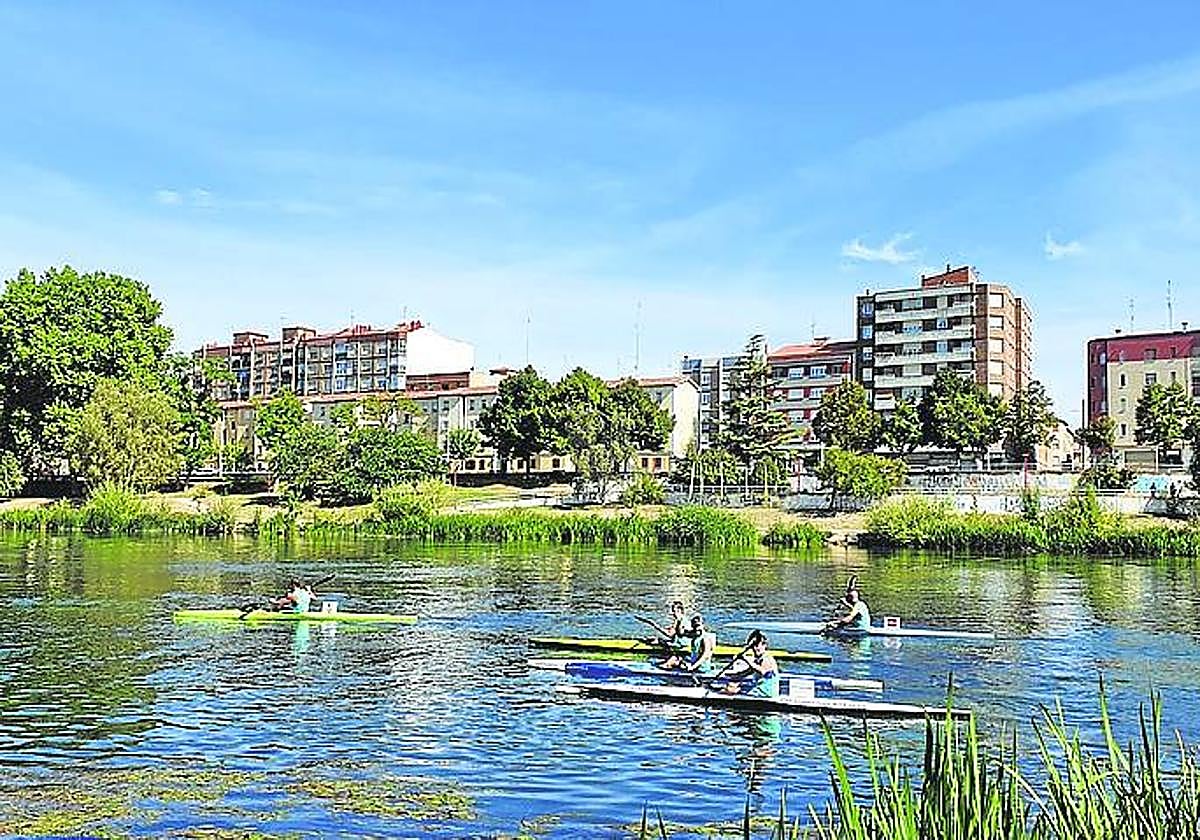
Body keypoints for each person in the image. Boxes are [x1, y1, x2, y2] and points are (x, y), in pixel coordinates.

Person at [721, 630, 779, 697]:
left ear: (765, 645)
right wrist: (732, 677)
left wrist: (746, 659)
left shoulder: (767, 658)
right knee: (730, 688)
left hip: (766, 694)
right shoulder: (758, 660)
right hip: (758, 691)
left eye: (757, 645)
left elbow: (763, 671)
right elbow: (746, 672)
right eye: (753, 646)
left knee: (732, 691)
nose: (755, 648)